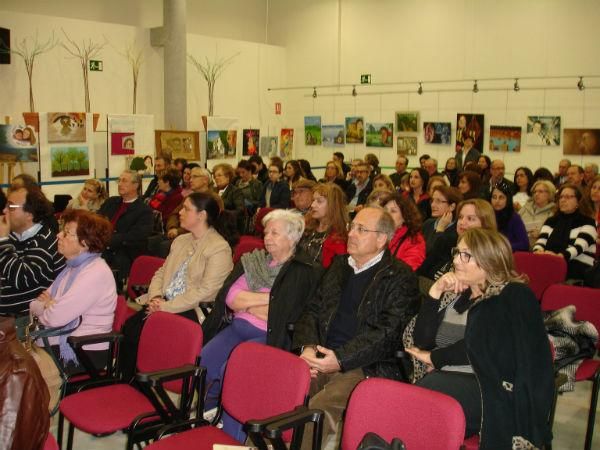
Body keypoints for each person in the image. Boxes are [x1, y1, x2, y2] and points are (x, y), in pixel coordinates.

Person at [406, 228, 554, 448]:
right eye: (456, 252)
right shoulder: (455, 294)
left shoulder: (512, 295)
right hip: (446, 377)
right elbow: (422, 340)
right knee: (411, 403)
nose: (456, 260)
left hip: (490, 385)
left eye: (465, 255)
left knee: (419, 404)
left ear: (489, 259)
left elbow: (481, 344)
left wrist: (434, 358)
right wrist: (435, 293)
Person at [293, 207, 420, 450]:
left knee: (320, 408)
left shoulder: (400, 276)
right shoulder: (340, 265)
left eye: (361, 229)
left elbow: (388, 334)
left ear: (382, 239)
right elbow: (313, 309)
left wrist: (340, 359)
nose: (351, 233)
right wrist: (308, 348)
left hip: (367, 365)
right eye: (352, 227)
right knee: (287, 391)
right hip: (322, 353)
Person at [201, 209, 322, 440]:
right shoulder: (255, 261)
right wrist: (269, 301)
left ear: (293, 237)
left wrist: (249, 302)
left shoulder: (304, 270)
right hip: (237, 327)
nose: (267, 237)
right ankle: (210, 410)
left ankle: (232, 437)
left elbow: (290, 312)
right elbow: (231, 297)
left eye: (275, 233)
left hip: (271, 335)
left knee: (235, 371)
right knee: (206, 358)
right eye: (266, 232)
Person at [30, 210, 116, 375]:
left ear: (84, 243)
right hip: (62, 340)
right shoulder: (72, 267)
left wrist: (50, 305)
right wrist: (48, 305)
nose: (58, 235)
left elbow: (55, 317)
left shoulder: (95, 273)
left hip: (84, 350)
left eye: (67, 233)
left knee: (22, 371)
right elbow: (34, 304)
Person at [136, 192, 233, 323]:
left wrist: (165, 306)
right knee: (131, 328)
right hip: (163, 302)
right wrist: (156, 297)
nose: (180, 212)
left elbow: (206, 292)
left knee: (149, 331)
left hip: (193, 309)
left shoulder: (219, 249)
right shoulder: (181, 240)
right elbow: (162, 272)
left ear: (201, 215)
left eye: (186, 209)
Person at [0, 186, 66, 316]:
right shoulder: (13, 237)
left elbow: (21, 279)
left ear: (29, 215)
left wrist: (2, 239)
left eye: (11, 207)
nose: (4, 210)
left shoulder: (45, 242)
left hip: (23, 324)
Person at [98, 170, 153, 289]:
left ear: (136, 185)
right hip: (102, 245)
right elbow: (96, 221)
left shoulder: (144, 211)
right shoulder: (111, 202)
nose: (120, 184)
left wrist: (108, 240)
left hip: (125, 250)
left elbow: (135, 236)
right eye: (119, 180)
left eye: (124, 181)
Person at [418, 198, 497, 281]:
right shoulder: (447, 241)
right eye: (460, 217)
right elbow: (420, 274)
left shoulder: (488, 256)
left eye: (470, 219)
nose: (462, 222)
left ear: (485, 224)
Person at [533, 184, 597, 280]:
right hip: (550, 264)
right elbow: (540, 242)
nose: (563, 200)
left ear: (578, 202)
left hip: (577, 269)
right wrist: (538, 252)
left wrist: (557, 257)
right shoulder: (551, 221)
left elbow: (578, 248)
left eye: (568, 197)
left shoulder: (588, 222)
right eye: (561, 197)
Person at [298, 183, 348, 268]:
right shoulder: (306, 225)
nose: (312, 205)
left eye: (319, 201)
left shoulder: (339, 239)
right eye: (313, 200)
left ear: (333, 205)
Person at [380, 192, 426, 271]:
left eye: (393, 211)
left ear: (405, 217)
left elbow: (405, 273)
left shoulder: (415, 241)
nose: (386, 214)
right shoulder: (375, 232)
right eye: (385, 210)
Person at [422, 185, 462, 255]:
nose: (432, 205)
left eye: (438, 201)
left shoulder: (456, 231)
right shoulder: (428, 223)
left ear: (452, 206)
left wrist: (440, 229)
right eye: (432, 200)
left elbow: (431, 254)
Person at [490, 182, 529, 251]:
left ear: (508, 199)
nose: (497, 201)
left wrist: (502, 247)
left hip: (508, 255)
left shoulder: (514, 217)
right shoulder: (488, 214)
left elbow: (524, 244)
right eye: (494, 197)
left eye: (501, 197)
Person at [518, 179, 556, 248]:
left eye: (540, 191)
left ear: (550, 194)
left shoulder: (554, 212)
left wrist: (541, 235)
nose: (536, 194)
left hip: (540, 249)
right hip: (520, 247)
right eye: (535, 192)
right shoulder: (525, 208)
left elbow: (556, 236)